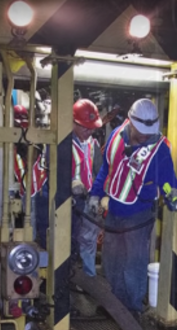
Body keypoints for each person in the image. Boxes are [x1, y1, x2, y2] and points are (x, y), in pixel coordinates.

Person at [89, 98, 177, 316]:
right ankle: (114, 304)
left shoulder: (159, 150)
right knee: (112, 261)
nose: (145, 136)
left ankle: (131, 309)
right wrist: (95, 194)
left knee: (133, 264)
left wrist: (174, 196)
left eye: (148, 132)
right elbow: (107, 168)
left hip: (138, 216)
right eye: (141, 132)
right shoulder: (115, 137)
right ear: (130, 122)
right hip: (113, 213)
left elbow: (167, 181)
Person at [70, 99, 103, 276]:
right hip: (70, 203)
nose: (89, 131)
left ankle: (88, 278)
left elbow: (100, 172)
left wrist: (97, 196)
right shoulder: (62, 143)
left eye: (91, 127)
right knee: (71, 241)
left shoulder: (93, 144)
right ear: (73, 122)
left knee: (89, 240)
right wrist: (71, 184)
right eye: (84, 127)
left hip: (89, 199)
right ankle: (70, 278)